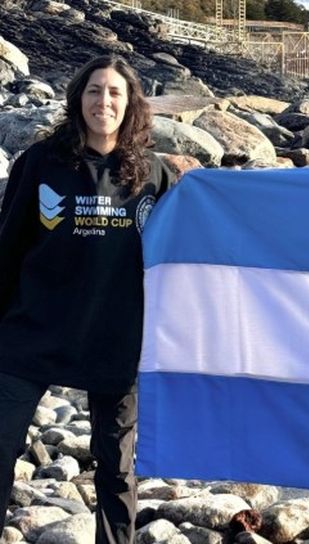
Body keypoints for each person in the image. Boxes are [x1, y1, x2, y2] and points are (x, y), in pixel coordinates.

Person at [0, 55, 171, 544]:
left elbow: (183, 254)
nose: (104, 102)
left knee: (117, 469)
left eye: (115, 92)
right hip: (32, 331)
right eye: (95, 90)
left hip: (115, 339)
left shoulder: (152, 174)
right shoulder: (41, 162)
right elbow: (8, 245)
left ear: (131, 103)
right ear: (78, 99)